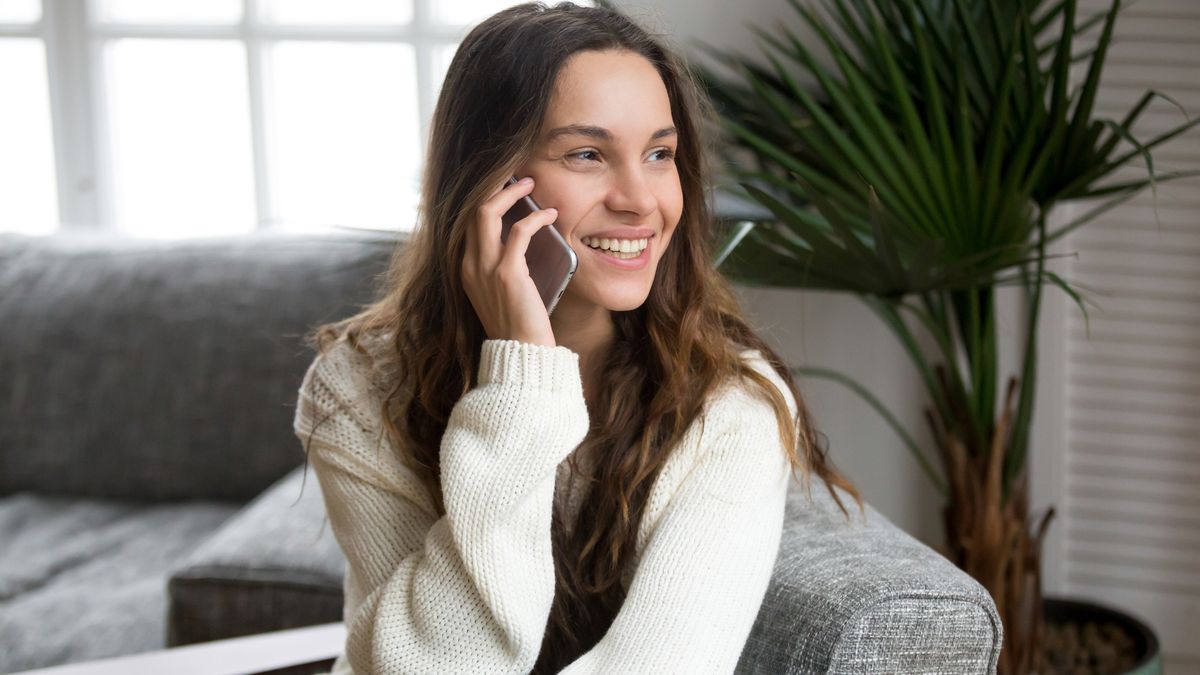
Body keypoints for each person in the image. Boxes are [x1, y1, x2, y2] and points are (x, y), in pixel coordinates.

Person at [293, 2, 864, 673]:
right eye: (588, 153)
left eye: (660, 153)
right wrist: (521, 382)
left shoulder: (731, 409)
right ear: (490, 182)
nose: (640, 198)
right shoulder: (359, 385)